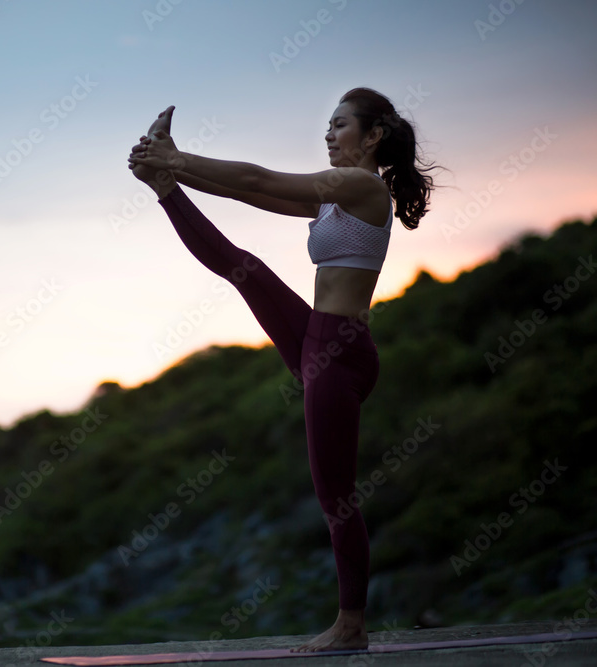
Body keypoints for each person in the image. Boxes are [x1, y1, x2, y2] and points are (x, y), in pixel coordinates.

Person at [127, 88, 439, 652]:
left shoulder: (363, 187)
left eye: (340, 124)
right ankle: (164, 194)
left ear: (372, 137)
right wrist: (167, 172)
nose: (328, 133)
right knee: (243, 268)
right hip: (317, 336)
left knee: (335, 495)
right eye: (327, 124)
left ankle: (351, 626)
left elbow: (261, 179)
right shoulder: (331, 197)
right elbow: (246, 192)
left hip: (340, 351)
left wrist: (173, 154)